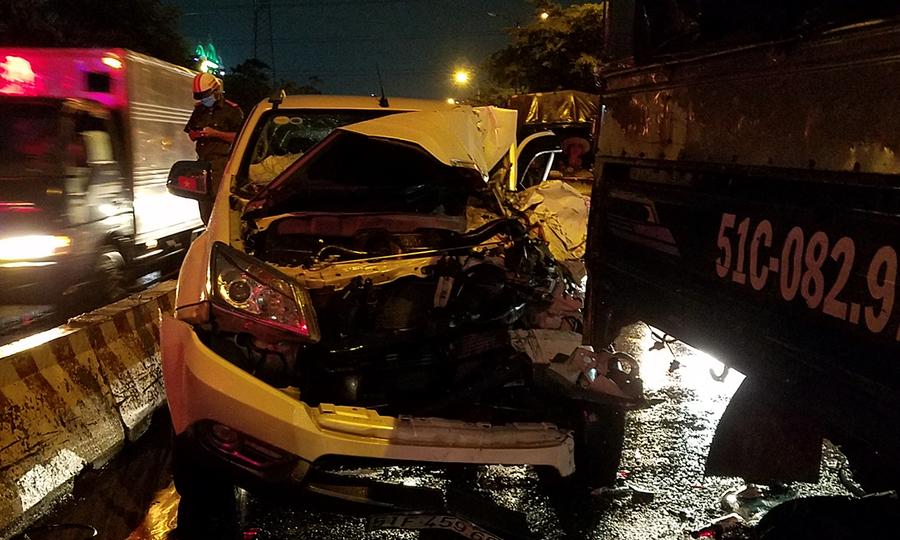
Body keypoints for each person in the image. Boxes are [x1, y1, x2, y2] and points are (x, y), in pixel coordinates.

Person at [184, 73, 244, 222]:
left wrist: (216, 134)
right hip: (202, 164)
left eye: (206, 96)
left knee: (220, 206)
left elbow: (240, 137)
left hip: (221, 164)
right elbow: (190, 135)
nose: (204, 100)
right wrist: (197, 134)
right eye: (201, 97)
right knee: (204, 207)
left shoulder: (231, 110)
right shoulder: (199, 110)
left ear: (216, 91)